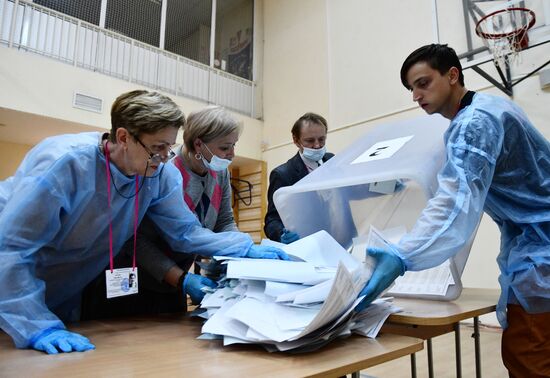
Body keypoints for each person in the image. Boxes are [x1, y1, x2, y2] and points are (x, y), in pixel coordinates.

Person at [0, 90, 288, 355]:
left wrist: (244, 246)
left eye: (169, 147)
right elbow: (11, 248)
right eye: (157, 147)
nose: (165, 158)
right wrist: (35, 323)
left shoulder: (159, 175)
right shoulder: (65, 163)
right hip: (12, 281)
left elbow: (184, 232)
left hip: (66, 287)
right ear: (124, 137)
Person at [356, 44, 550, 377]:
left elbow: (454, 203)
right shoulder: (489, 109)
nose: (416, 95)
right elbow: (458, 180)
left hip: (541, 248)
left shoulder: (474, 124)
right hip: (534, 240)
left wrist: (401, 256)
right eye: (411, 89)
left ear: (452, 75)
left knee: (529, 354)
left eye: (422, 82)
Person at [81, 106, 242, 318]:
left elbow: (224, 222)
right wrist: (180, 277)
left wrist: (239, 252)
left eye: (233, 146)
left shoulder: (220, 174)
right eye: (224, 147)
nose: (231, 154)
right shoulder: (160, 169)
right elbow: (135, 238)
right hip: (133, 279)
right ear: (199, 144)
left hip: (175, 282)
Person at [264, 112, 334, 243]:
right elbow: (272, 220)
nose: (317, 145)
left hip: (340, 238)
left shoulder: (333, 161)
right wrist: (281, 235)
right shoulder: (283, 174)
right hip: (306, 242)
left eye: (321, 139)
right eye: (310, 141)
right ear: (296, 141)